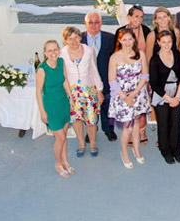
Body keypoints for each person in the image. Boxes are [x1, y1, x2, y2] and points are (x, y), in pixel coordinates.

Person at [108, 28, 150, 169]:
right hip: (122, 97)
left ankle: (136, 150)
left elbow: (145, 75)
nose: (127, 42)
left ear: (134, 40)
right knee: (127, 127)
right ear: (119, 40)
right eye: (124, 39)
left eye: (130, 39)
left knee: (137, 123)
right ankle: (124, 152)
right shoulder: (115, 57)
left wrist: (135, 93)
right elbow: (112, 81)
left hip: (138, 94)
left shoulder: (140, 54)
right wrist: (125, 97)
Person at [59, 26, 104, 158]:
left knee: (91, 119)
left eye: (76, 37)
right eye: (70, 38)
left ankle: (92, 143)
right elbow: (64, 77)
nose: (74, 41)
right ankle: (81, 144)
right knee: (77, 119)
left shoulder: (89, 50)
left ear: (80, 37)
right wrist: (69, 96)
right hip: (73, 92)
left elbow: (94, 71)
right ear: (65, 40)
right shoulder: (62, 54)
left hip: (89, 90)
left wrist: (99, 90)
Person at [35, 39, 72, 177]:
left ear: (59, 50)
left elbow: (65, 80)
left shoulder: (61, 62)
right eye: (50, 50)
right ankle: (58, 163)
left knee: (64, 135)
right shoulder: (42, 70)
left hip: (63, 103)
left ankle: (65, 161)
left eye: (55, 49)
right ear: (45, 53)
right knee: (60, 137)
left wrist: (71, 98)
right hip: (51, 106)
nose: (53, 53)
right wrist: (42, 111)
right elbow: (38, 92)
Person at [144, 6, 180, 143]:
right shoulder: (152, 36)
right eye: (159, 17)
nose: (162, 20)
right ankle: (162, 138)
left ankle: (171, 137)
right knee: (161, 110)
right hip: (158, 78)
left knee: (173, 109)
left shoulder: (175, 32)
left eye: (165, 16)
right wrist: (149, 79)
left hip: (172, 77)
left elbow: (176, 54)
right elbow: (148, 58)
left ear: (169, 18)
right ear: (155, 20)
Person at [149, 30, 180, 165]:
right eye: (163, 42)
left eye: (169, 41)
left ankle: (177, 150)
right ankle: (165, 151)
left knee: (175, 124)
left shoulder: (177, 54)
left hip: (176, 92)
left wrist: (177, 96)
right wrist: (169, 99)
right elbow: (154, 84)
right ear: (158, 43)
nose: (167, 44)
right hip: (161, 95)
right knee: (163, 124)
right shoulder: (155, 59)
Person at [81, 11, 117, 142]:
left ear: (101, 23)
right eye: (90, 22)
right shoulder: (79, 39)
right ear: (85, 23)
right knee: (89, 107)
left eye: (97, 22)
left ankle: (108, 130)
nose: (94, 25)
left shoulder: (110, 38)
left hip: (106, 80)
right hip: (87, 82)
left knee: (107, 105)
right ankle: (91, 129)